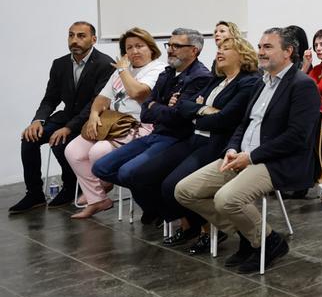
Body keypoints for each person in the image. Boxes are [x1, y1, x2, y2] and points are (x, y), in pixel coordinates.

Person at [175, 28, 321, 273]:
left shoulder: (302, 85)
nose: (261, 52)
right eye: (260, 46)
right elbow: (245, 123)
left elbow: (296, 137)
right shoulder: (261, 82)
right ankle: (253, 235)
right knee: (185, 191)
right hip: (242, 156)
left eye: (268, 47)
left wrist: (251, 156)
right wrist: (232, 148)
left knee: (227, 198)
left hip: (279, 161)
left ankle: (267, 242)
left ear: (288, 52)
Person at [92, 29, 213, 224]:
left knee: (128, 172)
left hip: (177, 138)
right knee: (101, 167)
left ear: (194, 50)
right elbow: (146, 113)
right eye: (169, 45)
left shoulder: (200, 77)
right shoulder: (168, 73)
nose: (171, 50)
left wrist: (157, 106)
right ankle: (158, 207)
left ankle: (165, 211)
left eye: (177, 46)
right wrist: (162, 106)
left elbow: (177, 117)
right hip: (155, 133)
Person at [152, 35, 259, 247]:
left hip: (218, 145)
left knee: (172, 186)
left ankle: (211, 229)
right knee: (154, 177)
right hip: (195, 139)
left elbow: (225, 119)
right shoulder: (217, 80)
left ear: (242, 55)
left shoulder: (248, 82)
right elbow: (184, 105)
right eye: (219, 48)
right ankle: (198, 226)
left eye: (226, 48)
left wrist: (198, 115)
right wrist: (203, 110)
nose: (218, 52)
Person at [12, 21, 114, 213]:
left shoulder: (104, 64)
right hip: (66, 116)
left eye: (81, 36)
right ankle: (34, 194)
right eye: (71, 35)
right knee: (29, 138)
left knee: (61, 141)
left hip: (91, 119)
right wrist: (38, 121)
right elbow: (50, 98)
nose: (74, 40)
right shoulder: (59, 64)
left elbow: (95, 103)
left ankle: (70, 187)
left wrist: (69, 128)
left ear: (93, 39)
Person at [63, 29, 166, 218]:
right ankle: (98, 199)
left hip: (141, 126)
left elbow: (138, 93)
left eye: (139, 46)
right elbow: (102, 98)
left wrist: (122, 71)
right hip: (114, 123)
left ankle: (103, 182)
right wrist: (94, 116)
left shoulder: (157, 69)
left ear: (151, 49)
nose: (134, 51)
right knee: (73, 151)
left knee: (98, 152)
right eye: (129, 48)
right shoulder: (121, 70)